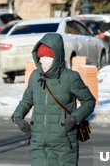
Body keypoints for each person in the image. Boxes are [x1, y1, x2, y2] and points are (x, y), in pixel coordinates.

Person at [11, 33, 96, 166]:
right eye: (41, 60)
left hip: (64, 143)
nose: (44, 64)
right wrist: (17, 116)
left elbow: (89, 101)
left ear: (57, 58)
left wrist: (74, 118)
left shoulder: (70, 77)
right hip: (39, 142)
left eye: (48, 60)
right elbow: (27, 100)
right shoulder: (35, 76)